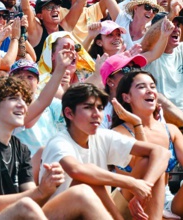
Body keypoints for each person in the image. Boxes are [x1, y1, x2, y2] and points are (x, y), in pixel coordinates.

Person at [0, 77, 111, 219]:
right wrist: (41, 191)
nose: (22, 105)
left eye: (24, 100)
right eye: (13, 99)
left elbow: (33, 195)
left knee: (82, 192)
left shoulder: (19, 147)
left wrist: (47, 187)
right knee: (25, 206)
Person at [41, 83, 170, 219]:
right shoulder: (58, 142)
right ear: (69, 113)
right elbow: (76, 170)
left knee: (150, 164)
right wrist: (131, 183)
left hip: (100, 210)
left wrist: (144, 187)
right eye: (88, 108)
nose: (96, 114)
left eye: (100, 108)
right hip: (59, 214)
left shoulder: (103, 135)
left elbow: (162, 153)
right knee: (87, 181)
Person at [111, 70, 183, 218]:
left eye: (152, 86)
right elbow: (144, 163)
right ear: (126, 97)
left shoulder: (170, 130)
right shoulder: (117, 133)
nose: (150, 90)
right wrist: (137, 124)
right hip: (128, 201)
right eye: (141, 87)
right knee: (151, 161)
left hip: (166, 200)